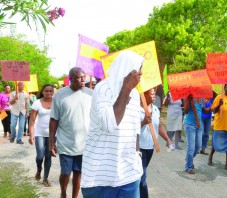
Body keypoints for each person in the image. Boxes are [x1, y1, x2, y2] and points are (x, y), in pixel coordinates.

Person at [81, 50, 144, 198]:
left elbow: (135, 130)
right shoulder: (103, 88)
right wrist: (126, 88)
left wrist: (137, 157)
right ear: (128, 70)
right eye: (138, 69)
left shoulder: (135, 94)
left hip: (129, 175)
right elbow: (110, 124)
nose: (141, 73)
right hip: (100, 177)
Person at [49, 67, 93, 198]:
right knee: (66, 173)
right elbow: (54, 119)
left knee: (78, 172)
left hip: (84, 144)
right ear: (71, 79)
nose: (83, 80)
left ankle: (74, 196)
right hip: (66, 143)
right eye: (79, 77)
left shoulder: (91, 94)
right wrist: (52, 142)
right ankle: (63, 192)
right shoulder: (60, 94)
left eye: (84, 77)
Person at [139, 88, 173, 198]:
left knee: (140, 176)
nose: (154, 96)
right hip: (138, 148)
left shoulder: (155, 109)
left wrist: (168, 139)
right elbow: (131, 128)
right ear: (144, 95)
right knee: (142, 177)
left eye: (154, 94)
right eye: (152, 94)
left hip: (150, 147)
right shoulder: (137, 109)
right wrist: (144, 122)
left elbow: (159, 126)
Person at [28, 84, 54, 187]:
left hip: (52, 134)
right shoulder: (37, 103)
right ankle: (39, 169)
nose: (48, 93)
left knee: (48, 156)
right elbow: (32, 121)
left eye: (50, 91)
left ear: (53, 92)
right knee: (40, 156)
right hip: (39, 133)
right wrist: (31, 135)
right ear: (42, 92)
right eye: (46, 91)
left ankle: (45, 178)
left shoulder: (56, 103)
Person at [184, 95, 209, 174]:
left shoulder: (201, 98)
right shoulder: (188, 97)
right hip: (190, 125)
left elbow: (204, 110)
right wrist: (189, 100)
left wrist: (213, 108)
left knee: (198, 146)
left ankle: (188, 159)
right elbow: (186, 111)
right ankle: (188, 167)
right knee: (191, 147)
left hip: (199, 124)